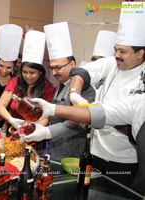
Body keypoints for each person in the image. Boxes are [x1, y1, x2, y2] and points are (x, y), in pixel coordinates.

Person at [27, 2, 145, 188]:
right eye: (115, 49)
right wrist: (74, 93)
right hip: (96, 153)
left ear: (140, 54)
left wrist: (51, 113)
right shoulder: (111, 64)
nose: (116, 55)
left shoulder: (141, 80)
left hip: (125, 159)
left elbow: (105, 116)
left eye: (123, 51)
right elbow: (81, 73)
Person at [42, 21, 96, 161]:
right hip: (55, 149)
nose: (54, 72)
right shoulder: (60, 85)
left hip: (71, 153)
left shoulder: (85, 89)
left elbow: (79, 122)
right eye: (52, 68)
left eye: (58, 67)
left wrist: (46, 132)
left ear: (72, 64)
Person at [0, 30, 55, 137]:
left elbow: (46, 117)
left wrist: (33, 129)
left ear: (40, 72)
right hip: (13, 134)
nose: (28, 76)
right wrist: (11, 120)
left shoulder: (48, 88)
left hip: (35, 135)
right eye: (24, 72)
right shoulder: (15, 82)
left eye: (32, 73)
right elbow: (1, 105)